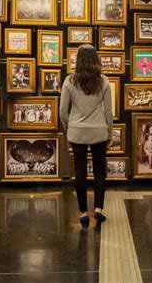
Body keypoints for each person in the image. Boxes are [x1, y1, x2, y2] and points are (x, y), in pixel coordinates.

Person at [60, 44, 112, 227]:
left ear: (78, 61)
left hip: (77, 132)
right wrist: (110, 134)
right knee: (99, 170)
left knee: (80, 171)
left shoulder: (69, 81)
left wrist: (70, 129)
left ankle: (83, 213)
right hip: (99, 131)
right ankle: (98, 209)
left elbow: (62, 112)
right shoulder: (104, 81)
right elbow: (108, 111)